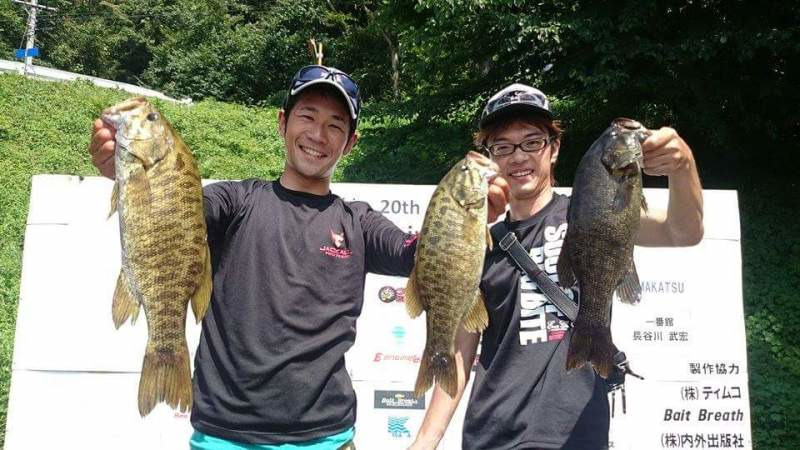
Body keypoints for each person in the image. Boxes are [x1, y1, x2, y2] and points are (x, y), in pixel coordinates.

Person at [89, 65, 508, 450]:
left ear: (351, 143)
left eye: (335, 125)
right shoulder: (234, 202)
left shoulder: (358, 223)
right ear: (282, 122)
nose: (318, 134)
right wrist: (130, 173)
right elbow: (175, 214)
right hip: (222, 436)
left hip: (328, 437)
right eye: (307, 116)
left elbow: (418, 256)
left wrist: (465, 220)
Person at [409, 83, 704, 450]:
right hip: (492, 435)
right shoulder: (478, 244)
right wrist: (425, 441)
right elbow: (459, 351)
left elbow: (682, 232)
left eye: (532, 142)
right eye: (503, 147)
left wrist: (683, 166)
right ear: (491, 158)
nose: (518, 157)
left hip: (576, 434)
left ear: (554, 148)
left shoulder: (593, 212)